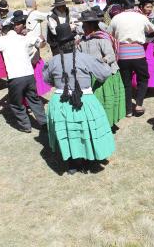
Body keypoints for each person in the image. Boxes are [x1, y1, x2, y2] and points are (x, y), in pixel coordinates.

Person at [44, 23, 115, 174]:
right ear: (74, 42)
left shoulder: (52, 61)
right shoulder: (85, 59)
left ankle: (72, 164)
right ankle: (89, 159)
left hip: (60, 102)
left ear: (60, 46)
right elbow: (104, 74)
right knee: (86, 130)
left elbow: (47, 80)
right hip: (84, 100)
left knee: (69, 132)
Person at [0, 10, 47, 133]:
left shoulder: (4, 40)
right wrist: (41, 40)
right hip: (29, 75)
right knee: (34, 99)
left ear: (4, 33)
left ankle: (25, 126)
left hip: (16, 77)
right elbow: (39, 42)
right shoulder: (23, 39)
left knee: (16, 103)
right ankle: (43, 122)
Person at [108, 0, 154, 117]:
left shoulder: (116, 18)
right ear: (134, 4)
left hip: (122, 55)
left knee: (126, 82)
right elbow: (152, 29)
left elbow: (110, 34)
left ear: (122, 5)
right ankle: (139, 104)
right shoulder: (141, 17)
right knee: (143, 78)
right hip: (138, 53)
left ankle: (128, 110)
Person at [78, 9, 125, 128]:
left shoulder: (102, 39)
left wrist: (98, 62)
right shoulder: (82, 41)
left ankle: (107, 124)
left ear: (91, 25)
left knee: (104, 100)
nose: (82, 28)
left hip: (106, 76)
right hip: (90, 77)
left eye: (84, 25)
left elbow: (111, 56)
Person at [23, 0, 51, 97]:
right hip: (35, 43)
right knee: (35, 63)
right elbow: (48, 15)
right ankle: (36, 90)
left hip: (25, 43)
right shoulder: (34, 13)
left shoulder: (23, 12)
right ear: (33, 4)